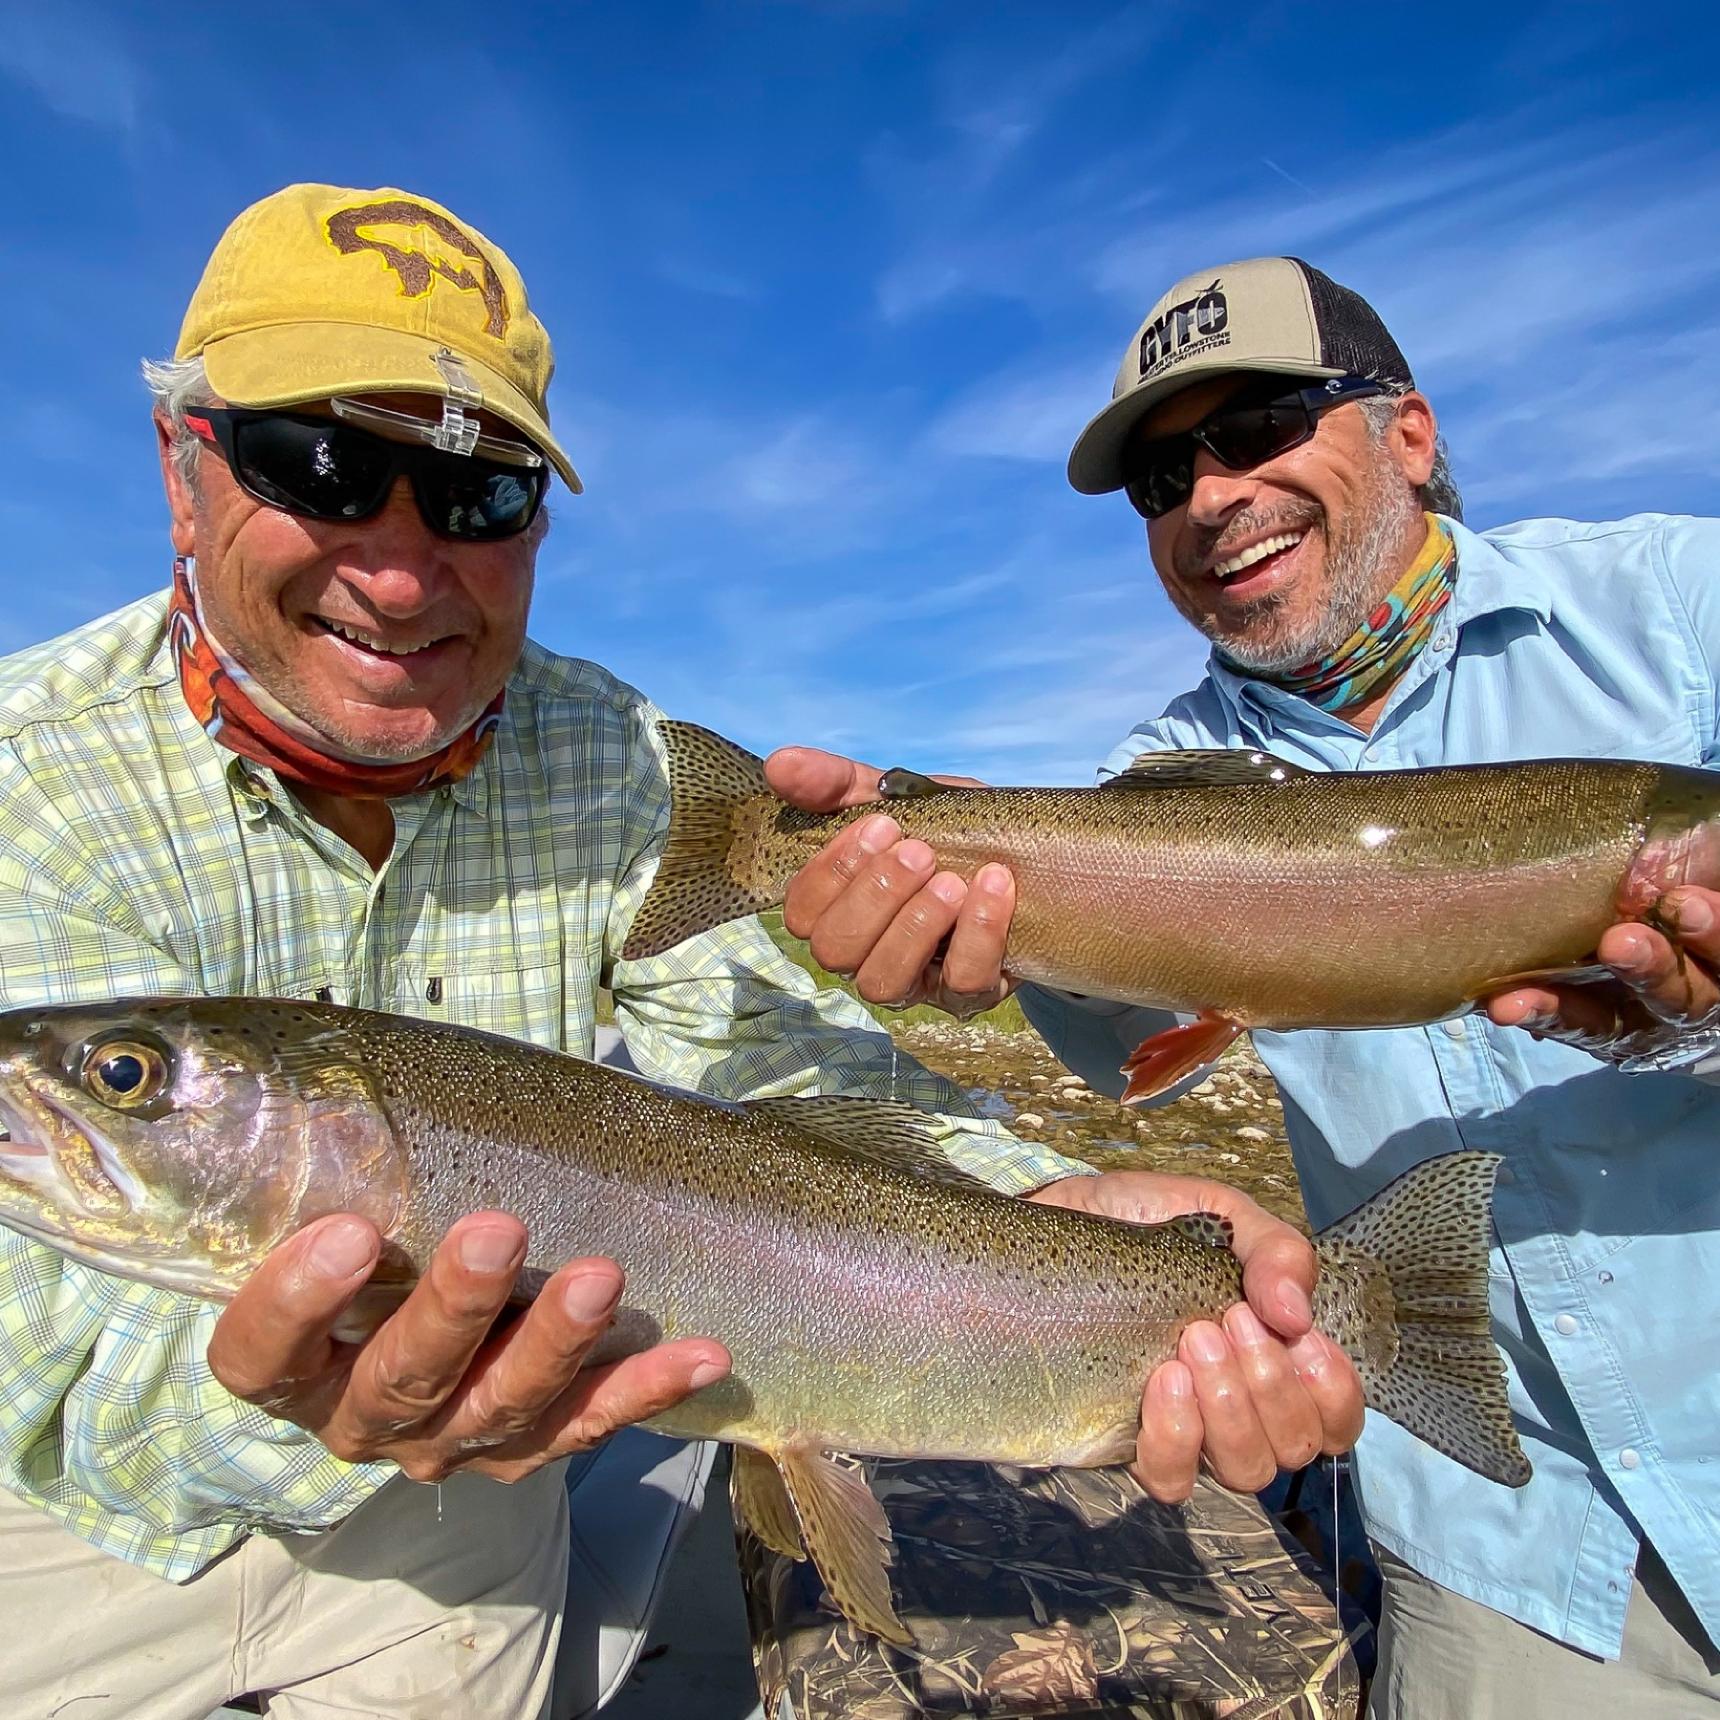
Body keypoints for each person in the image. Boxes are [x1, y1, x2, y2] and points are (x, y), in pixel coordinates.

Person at [0, 189, 1342, 1720]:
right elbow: (54, 1374)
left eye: (478, 492)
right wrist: (311, 1392)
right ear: (182, 474)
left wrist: (1041, 1209)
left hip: (474, 1505)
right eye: (319, 464)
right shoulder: (23, 777)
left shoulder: (620, 756)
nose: (401, 568)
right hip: (64, 1522)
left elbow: (780, 1072)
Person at [769, 255, 1720, 1716]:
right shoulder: (1143, 788)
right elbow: (1129, 1046)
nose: (1211, 496)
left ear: (1410, 433)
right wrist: (946, 924)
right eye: (1163, 478)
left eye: (1261, 428)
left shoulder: (1682, 606)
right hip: (1506, 1549)